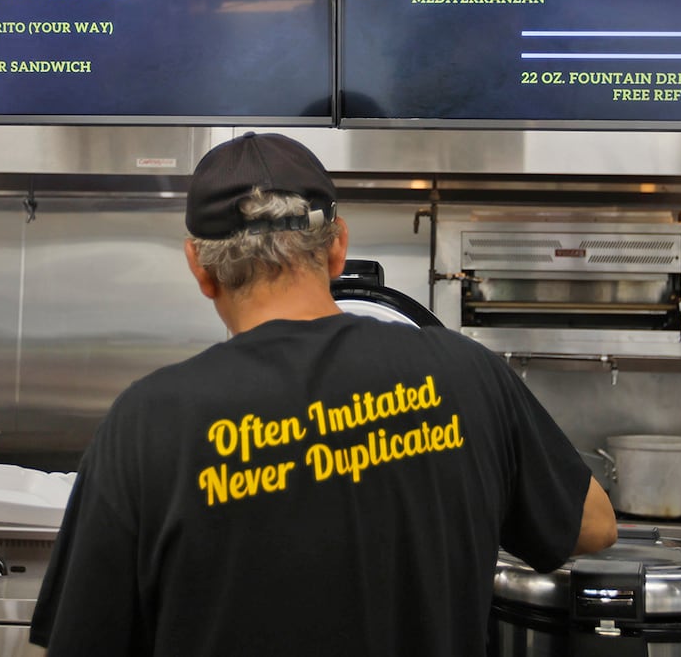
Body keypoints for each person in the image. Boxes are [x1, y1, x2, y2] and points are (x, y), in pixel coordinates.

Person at [30, 132, 617, 656]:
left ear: (199, 267)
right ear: (337, 248)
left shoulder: (145, 421)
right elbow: (592, 526)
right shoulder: (468, 374)